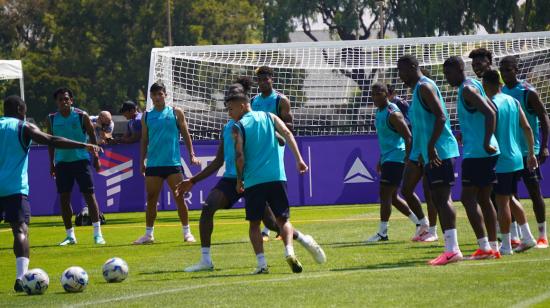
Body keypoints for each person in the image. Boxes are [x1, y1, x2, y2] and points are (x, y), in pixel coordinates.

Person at [176, 78, 325, 272]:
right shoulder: (229, 127)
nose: (228, 109)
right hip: (234, 178)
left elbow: (281, 137)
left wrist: (280, 142)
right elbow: (218, 161)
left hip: (252, 178)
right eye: (227, 105)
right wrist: (193, 181)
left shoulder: (252, 121)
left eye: (231, 104)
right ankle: (206, 260)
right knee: (208, 207)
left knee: (272, 224)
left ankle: (304, 240)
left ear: (242, 103)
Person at [1, 95, 100, 292]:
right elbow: (52, 140)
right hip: (14, 189)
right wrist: (83, 145)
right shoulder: (23, 127)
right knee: (20, 230)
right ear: (22, 110)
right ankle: (21, 278)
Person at [229, 85, 310, 274]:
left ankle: (261, 264)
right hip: (277, 177)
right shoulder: (270, 117)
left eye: (231, 108)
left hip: (254, 180)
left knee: (254, 224)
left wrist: (239, 179)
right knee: (283, 219)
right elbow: (288, 134)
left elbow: (239, 156)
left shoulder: (238, 126)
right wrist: (299, 159)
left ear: (242, 106)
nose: (229, 113)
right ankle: (289, 251)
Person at [397, 55, 462, 266]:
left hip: (440, 151)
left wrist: (432, 146)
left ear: (414, 67)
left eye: (403, 70)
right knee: (438, 198)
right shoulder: (417, 90)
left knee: (443, 199)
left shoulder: (425, 87)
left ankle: (452, 250)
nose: (400, 75)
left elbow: (441, 116)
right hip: (429, 153)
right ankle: (448, 248)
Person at [443, 56, 500, 259]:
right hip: (482, 150)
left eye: (448, 73)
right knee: (484, 198)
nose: (446, 78)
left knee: (468, 198)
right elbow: (492, 110)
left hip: (477, 152)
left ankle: (484, 247)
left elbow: (490, 113)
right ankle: (492, 246)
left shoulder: (467, 88)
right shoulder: (474, 84)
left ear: (460, 69)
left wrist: (485, 141)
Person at [133, 82, 200, 244]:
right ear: (150, 97)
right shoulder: (147, 116)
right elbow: (144, 140)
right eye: (154, 95)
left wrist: (192, 154)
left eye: (160, 94)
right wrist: (142, 160)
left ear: (165, 95)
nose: (157, 97)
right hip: (154, 164)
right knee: (151, 199)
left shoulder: (176, 112)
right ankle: (148, 235)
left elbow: (186, 134)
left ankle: (187, 233)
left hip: (172, 163)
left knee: (179, 198)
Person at [482, 69, 538, 255]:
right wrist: (531, 153)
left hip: (501, 158)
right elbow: (527, 127)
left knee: (502, 202)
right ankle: (528, 237)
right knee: (511, 198)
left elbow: (490, 131)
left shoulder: (490, 104)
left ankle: (506, 245)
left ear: (485, 84)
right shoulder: (513, 101)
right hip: (516, 158)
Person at [500, 55, 550, 248]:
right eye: (502, 70)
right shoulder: (501, 92)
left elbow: (544, 117)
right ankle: (519, 235)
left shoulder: (528, 91)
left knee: (535, 192)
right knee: (510, 195)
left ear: (517, 70)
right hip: (510, 153)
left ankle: (542, 235)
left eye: (508, 70)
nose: (504, 74)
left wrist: (544, 146)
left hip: (529, 151)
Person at [46, 87, 106, 246]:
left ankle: (97, 234)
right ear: (56, 102)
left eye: (66, 99)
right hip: (62, 164)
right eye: (60, 99)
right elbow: (51, 143)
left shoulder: (81, 116)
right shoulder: (51, 119)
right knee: (64, 199)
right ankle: (70, 236)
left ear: (71, 100)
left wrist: (96, 157)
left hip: (81, 161)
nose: (64, 102)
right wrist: (51, 163)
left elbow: (93, 136)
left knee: (89, 196)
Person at [366, 83, 420, 242]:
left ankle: (383, 233)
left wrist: (408, 158)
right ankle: (419, 223)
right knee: (393, 197)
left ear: (386, 94)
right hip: (388, 158)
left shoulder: (393, 113)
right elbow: (386, 139)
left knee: (385, 194)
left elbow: (408, 137)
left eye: (378, 94)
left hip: (397, 158)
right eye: (373, 94)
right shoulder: (379, 111)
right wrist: (381, 159)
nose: (375, 97)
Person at [251, 66, 294, 241]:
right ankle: (271, 228)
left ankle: (276, 227)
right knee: (262, 184)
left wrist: (275, 132)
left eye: (265, 79)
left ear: (272, 79)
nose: (262, 82)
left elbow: (290, 126)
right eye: (260, 80)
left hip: (276, 146)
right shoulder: (253, 101)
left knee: (273, 185)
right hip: (258, 148)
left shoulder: (281, 100)